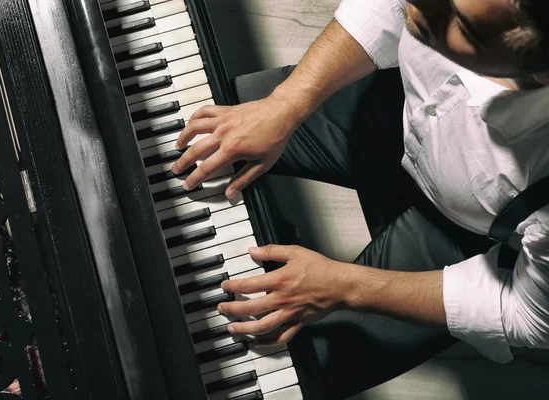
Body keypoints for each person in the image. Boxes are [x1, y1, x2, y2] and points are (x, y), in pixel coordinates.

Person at [171, 0, 549, 398]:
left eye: (463, 25)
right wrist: (285, 103)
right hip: (396, 108)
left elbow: (529, 314)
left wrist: (346, 286)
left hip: (467, 236)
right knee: (185, 133)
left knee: (259, 363)